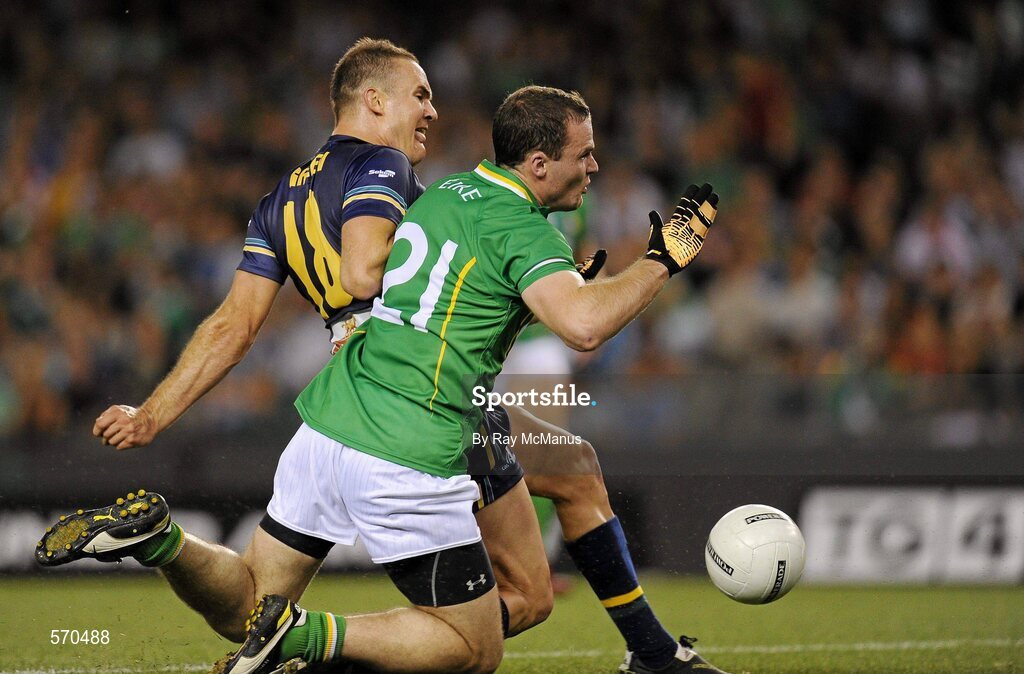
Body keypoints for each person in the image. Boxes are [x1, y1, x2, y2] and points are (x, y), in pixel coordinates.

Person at [35, 40, 722, 673]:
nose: (432, 109)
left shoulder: (290, 197)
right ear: (374, 101)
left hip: (341, 407)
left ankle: (163, 543)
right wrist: (650, 262)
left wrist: (152, 414)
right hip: (420, 408)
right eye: (420, 94)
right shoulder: (383, 165)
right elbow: (370, 270)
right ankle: (310, 640)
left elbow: (233, 325)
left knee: (250, 602)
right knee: (498, 623)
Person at [209, 85, 724, 673]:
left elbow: (460, 286)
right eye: (583, 154)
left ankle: (653, 654)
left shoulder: (450, 190)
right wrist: (663, 259)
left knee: (561, 510)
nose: (594, 166)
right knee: (476, 650)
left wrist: (538, 292)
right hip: (419, 426)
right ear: (538, 165)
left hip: (384, 399)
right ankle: (306, 642)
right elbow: (583, 328)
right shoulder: (523, 228)